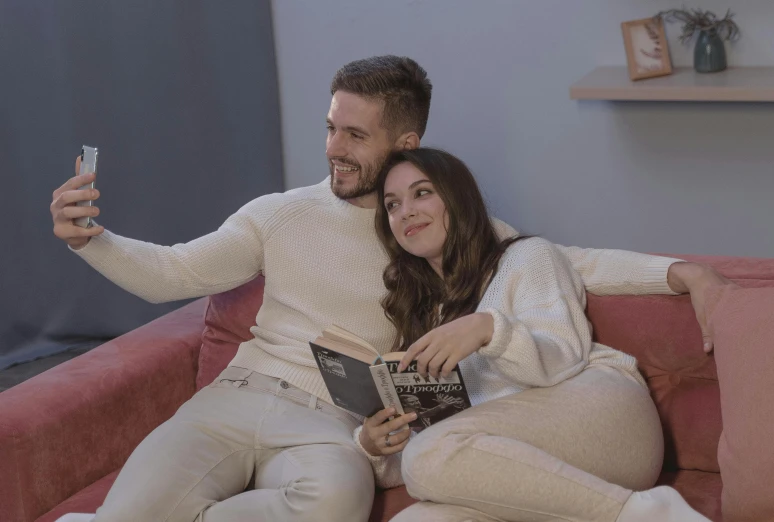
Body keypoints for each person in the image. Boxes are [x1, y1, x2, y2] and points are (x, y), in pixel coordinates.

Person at [49, 56, 728, 522]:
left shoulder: (437, 223)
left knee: (334, 503)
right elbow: (174, 273)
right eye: (329, 126)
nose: (333, 148)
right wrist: (91, 240)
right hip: (235, 396)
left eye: (354, 133)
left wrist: (678, 272)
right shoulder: (282, 213)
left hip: (327, 425)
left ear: (405, 138)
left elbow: (555, 262)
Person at [357, 147, 721, 522]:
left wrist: (489, 329)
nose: (407, 211)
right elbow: (441, 463)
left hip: (602, 414)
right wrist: (375, 447)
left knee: (429, 454)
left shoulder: (526, 257)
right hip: (520, 456)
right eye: (392, 204)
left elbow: (563, 358)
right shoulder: (421, 318)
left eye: (422, 192)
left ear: (457, 198)